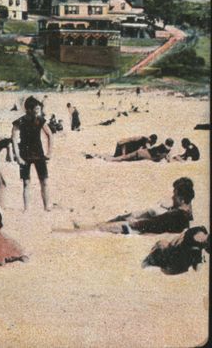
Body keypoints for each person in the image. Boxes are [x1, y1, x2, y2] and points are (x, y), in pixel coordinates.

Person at [62, 177, 195, 235]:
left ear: (182, 199)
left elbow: (153, 223)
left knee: (107, 227)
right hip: (145, 225)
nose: (172, 197)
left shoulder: (176, 215)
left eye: (175, 195)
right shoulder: (183, 212)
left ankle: (81, 229)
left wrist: (135, 222)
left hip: (139, 228)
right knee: (124, 218)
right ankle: (89, 226)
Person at [11, 96, 53, 211]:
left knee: (44, 181)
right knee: (26, 183)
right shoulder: (19, 121)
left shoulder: (40, 120)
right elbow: (14, 139)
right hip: (24, 155)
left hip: (39, 154)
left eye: (39, 109)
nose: (38, 111)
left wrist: (49, 152)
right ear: (29, 109)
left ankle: (47, 207)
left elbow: (50, 135)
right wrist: (18, 157)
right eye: (37, 109)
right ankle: (27, 209)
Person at [142, 226, 210, 275]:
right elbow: (197, 269)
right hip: (170, 262)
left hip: (169, 247)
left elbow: (185, 231)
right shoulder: (196, 250)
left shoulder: (200, 229)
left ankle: (148, 261)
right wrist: (202, 255)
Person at [104, 138, 174, 162]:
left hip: (143, 152)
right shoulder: (168, 151)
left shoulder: (162, 145)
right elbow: (168, 160)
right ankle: (112, 159)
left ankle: (111, 159)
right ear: (172, 145)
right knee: (126, 159)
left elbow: (150, 148)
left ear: (166, 142)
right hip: (147, 157)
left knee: (125, 157)